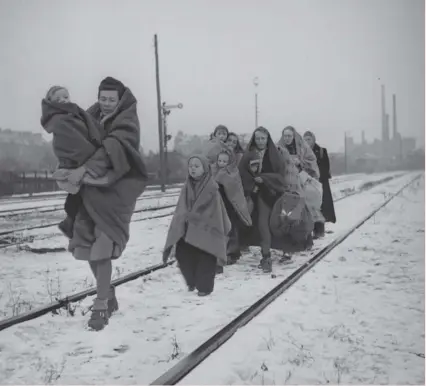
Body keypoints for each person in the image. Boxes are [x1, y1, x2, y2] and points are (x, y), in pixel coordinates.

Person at [43, 77, 148, 331]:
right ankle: (108, 294)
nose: (107, 103)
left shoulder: (127, 121)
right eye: (103, 98)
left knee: (103, 243)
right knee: (87, 243)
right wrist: (67, 167)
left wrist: (83, 169)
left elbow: (114, 148)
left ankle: (101, 304)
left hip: (115, 191)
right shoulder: (87, 115)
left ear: (120, 100)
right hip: (88, 193)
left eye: (112, 99)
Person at [162, 155, 231, 296]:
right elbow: (181, 207)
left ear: (204, 169)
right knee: (182, 254)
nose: (192, 169)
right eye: (190, 166)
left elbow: (214, 212)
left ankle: (204, 288)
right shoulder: (187, 186)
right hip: (188, 228)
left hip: (207, 229)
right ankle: (192, 281)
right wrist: (182, 219)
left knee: (206, 257)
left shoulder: (212, 188)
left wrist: (196, 217)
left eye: (196, 166)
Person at [238, 127, 288, 273]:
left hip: (275, 193)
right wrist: (252, 184)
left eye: (263, 138)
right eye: (258, 138)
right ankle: (266, 256)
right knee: (262, 224)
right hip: (258, 195)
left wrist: (265, 178)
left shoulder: (275, 154)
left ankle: (286, 249)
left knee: (279, 222)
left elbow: (280, 175)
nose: (260, 141)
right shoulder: (249, 155)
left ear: (267, 139)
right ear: (254, 139)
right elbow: (242, 173)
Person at [277, 126, 324, 232]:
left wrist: (301, 162)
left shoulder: (303, 147)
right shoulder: (279, 147)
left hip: (302, 177)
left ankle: (316, 228)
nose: (287, 138)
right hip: (287, 180)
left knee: (308, 202)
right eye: (285, 136)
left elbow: (312, 160)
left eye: (289, 136)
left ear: (293, 136)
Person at [211, 148, 252, 265]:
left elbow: (236, 191)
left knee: (231, 229)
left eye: (225, 161)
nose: (222, 163)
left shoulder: (233, 173)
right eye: (220, 161)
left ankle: (232, 253)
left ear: (229, 162)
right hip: (217, 205)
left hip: (229, 205)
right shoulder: (212, 171)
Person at [303, 130, 336, 237]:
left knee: (320, 207)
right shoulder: (302, 152)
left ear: (313, 139)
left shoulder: (322, 151)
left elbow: (325, 168)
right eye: (305, 139)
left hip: (320, 183)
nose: (307, 141)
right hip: (307, 182)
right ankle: (309, 231)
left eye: (309, 139)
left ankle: (319, 231)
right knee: (310, 207)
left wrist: (316, 176)